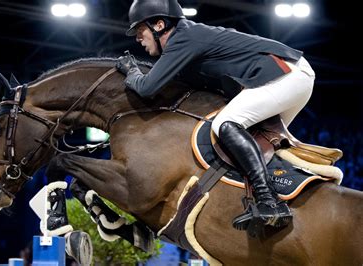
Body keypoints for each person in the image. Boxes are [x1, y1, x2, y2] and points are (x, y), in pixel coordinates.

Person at [116, 0, 315, 232]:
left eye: (140, 32)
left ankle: (269, 201)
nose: (138, 39)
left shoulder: (182, 38)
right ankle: (286, 196)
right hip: (288, 76)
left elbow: (147, 88)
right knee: (252, 145)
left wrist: (132, 71)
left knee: (225, 123)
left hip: (286, 75)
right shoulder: (186, 41)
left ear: (159, 25)